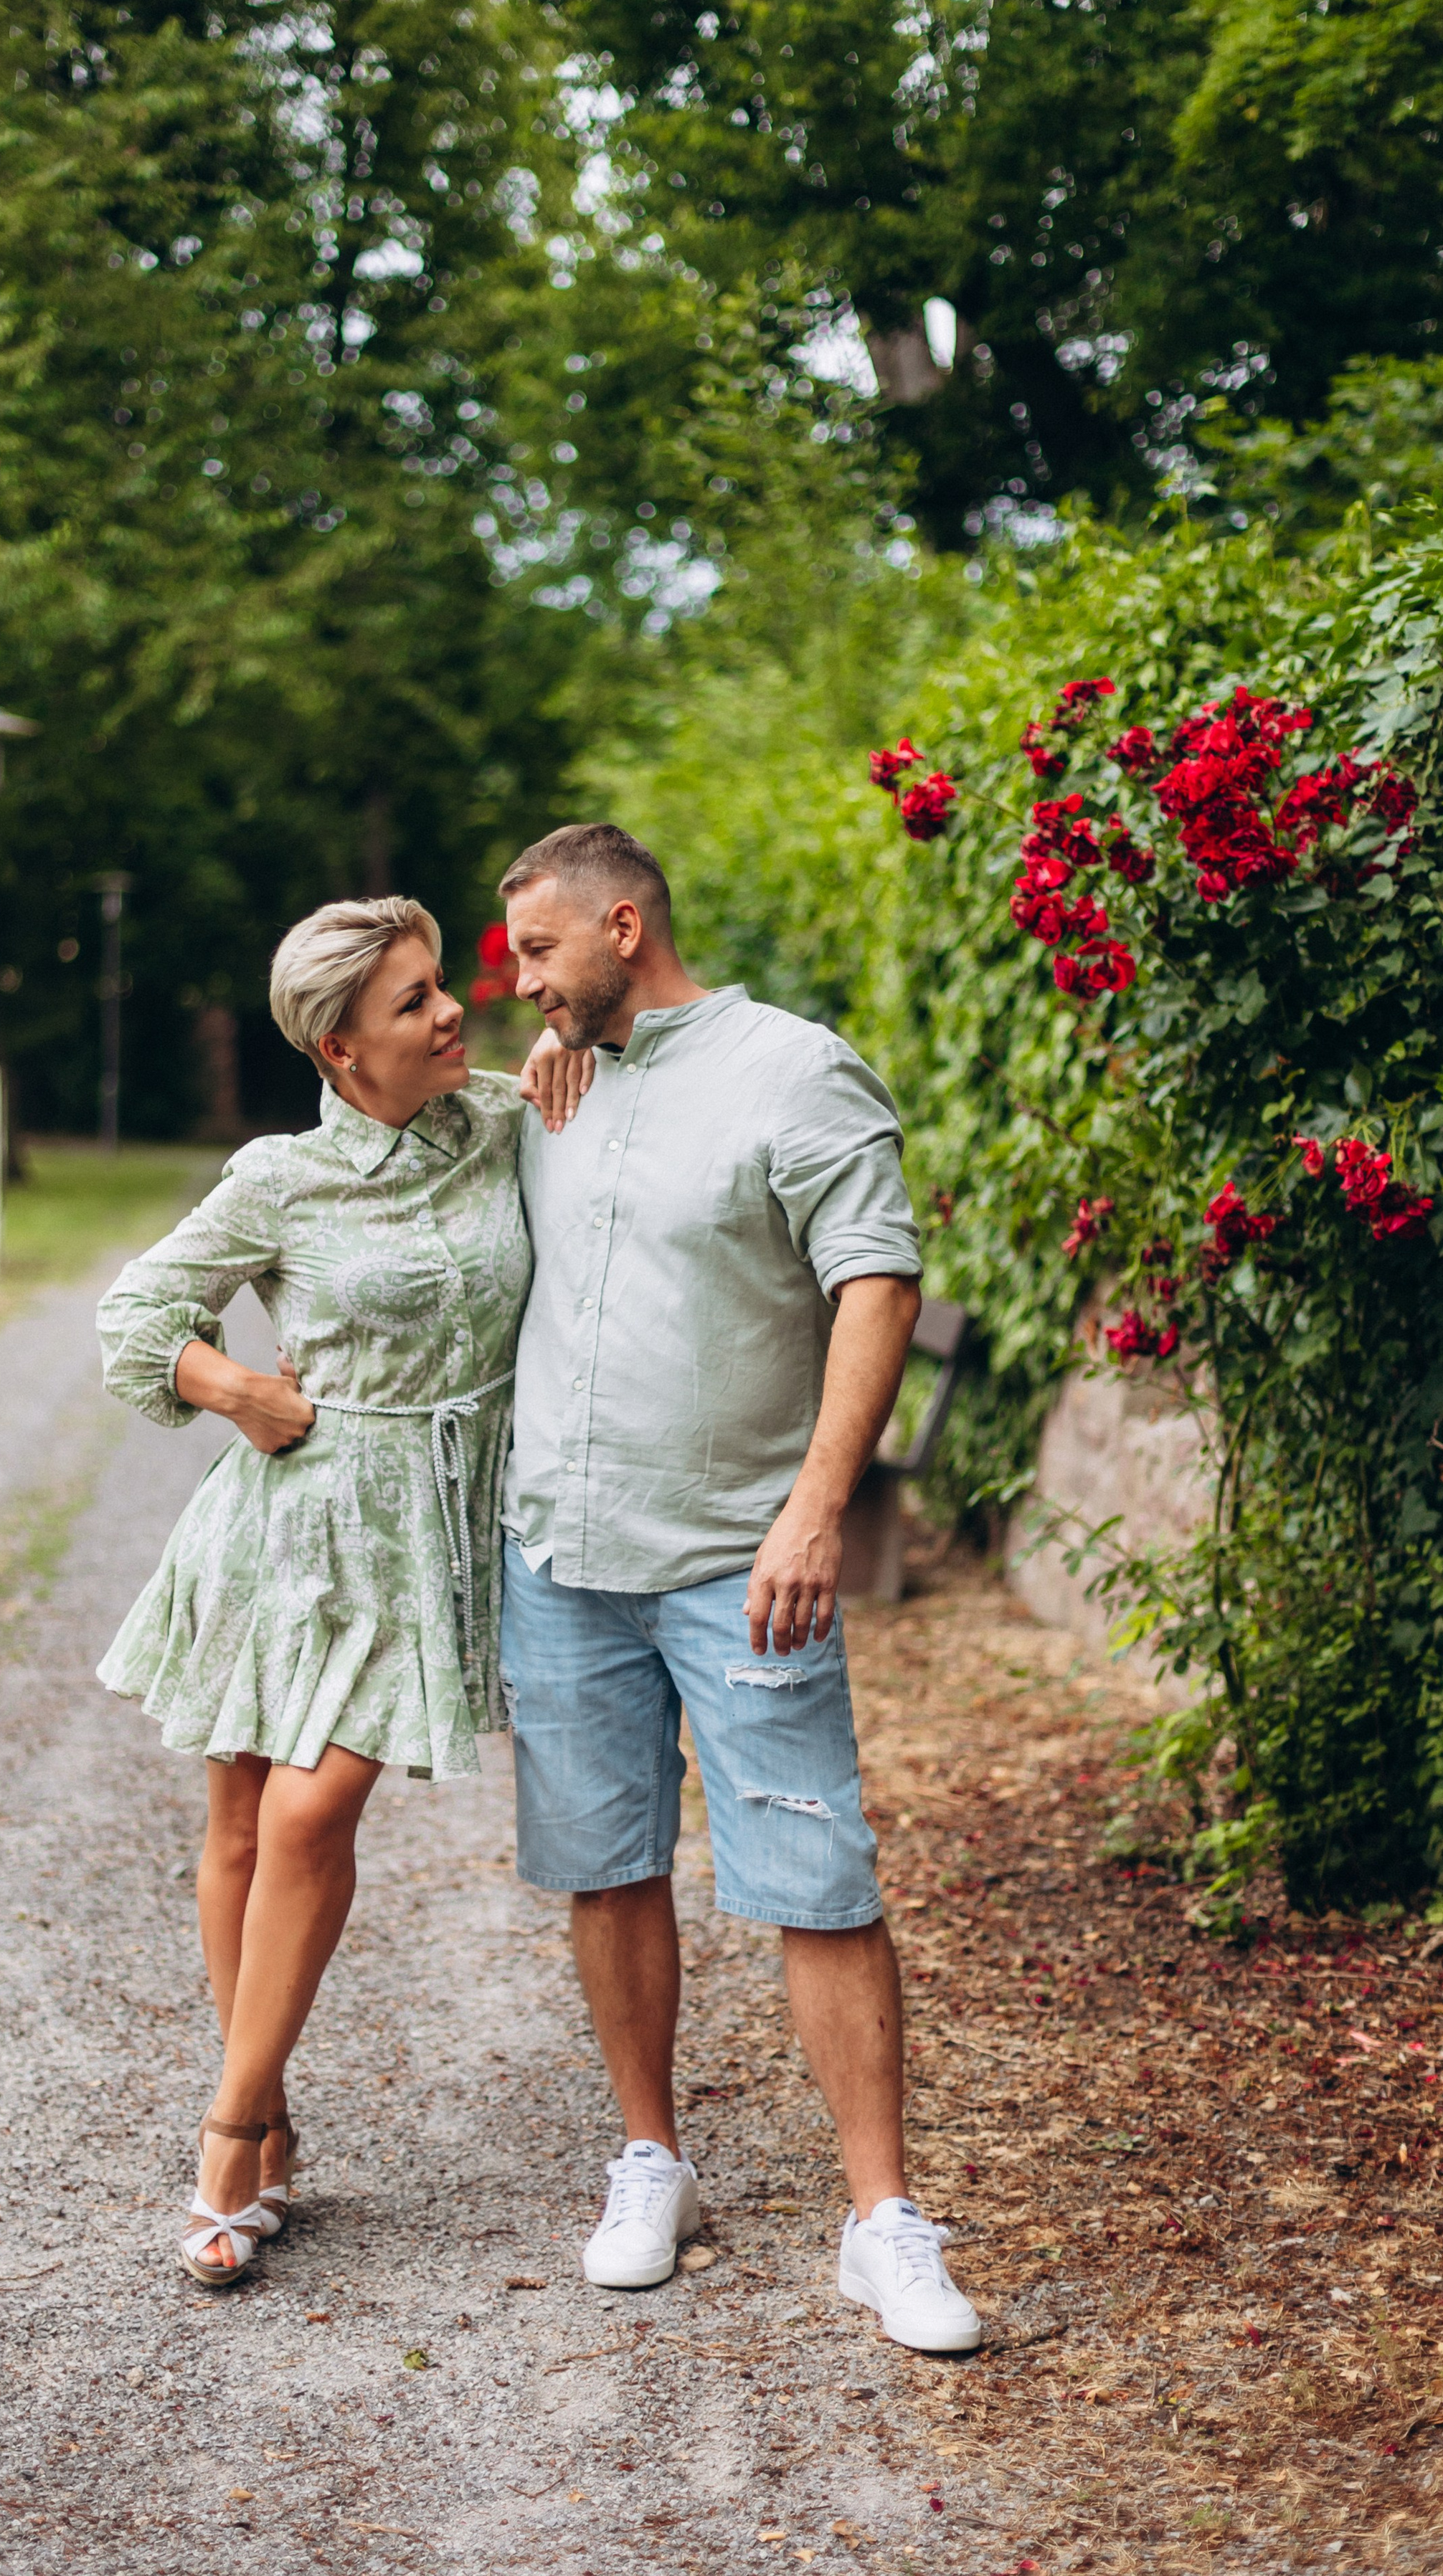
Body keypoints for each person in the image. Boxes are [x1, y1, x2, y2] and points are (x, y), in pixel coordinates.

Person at [496, 823, 981, 2354]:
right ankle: (650, 2160)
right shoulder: (553, 1087)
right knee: (605, 1861)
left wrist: (814, 1510)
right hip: (564, 1560)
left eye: (537, 952)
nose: (519, 985)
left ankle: (881, 2220)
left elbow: (876, 1279)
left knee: (814, 1877)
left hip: (738, 1562)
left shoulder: (792, 1069)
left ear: (623, 924)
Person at [95, 895, 584, 2287]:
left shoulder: (500, 1117)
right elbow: (135, 1317)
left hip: (425, 1526)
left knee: (313, 1805)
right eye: (415, 1003)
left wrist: (567, 1069)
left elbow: (595, 1098)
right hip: (285, 1524)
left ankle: (228, 2124)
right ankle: (276, 2117)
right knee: (242, 1812)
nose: (452, 1013)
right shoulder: (276, 1180)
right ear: (336, 1047)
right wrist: (232, 1385)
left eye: (441, 987)